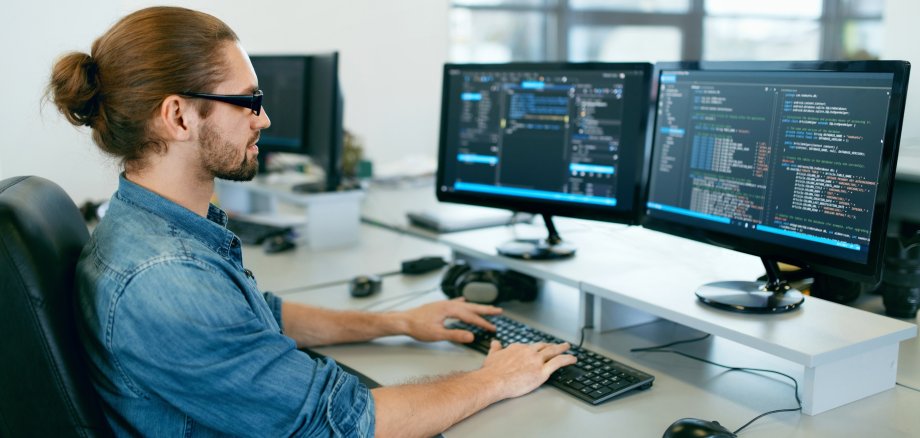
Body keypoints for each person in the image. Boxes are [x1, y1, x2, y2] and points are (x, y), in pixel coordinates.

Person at [49, 6, 575, 437]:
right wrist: (495, 379)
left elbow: (257, 318)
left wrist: (396, 323)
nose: (264, 119)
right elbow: (342, 424)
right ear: (179, 116)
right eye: (248, 102)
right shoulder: (166, 276)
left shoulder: (151, 225)